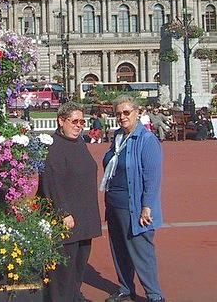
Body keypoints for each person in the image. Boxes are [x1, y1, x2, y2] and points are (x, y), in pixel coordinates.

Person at [101, 95, 165, 302]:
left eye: (126, 112)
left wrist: (147, 206)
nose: (122, 117)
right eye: (118, 113)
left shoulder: (147, 140)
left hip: (135, 205)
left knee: (141, 251)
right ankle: (126, 287)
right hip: (114, 203)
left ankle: (154, 295)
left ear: (137, 113)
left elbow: (152, 178)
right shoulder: (118, 136)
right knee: (119, 248)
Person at [38, 102, 101, 302]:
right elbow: (52, 182)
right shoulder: (54, 146)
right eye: (74, 121)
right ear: (61, 121)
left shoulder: (79, 142)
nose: (78, 126)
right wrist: (63, 212)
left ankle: (74, 296)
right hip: (67, 218)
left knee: (79, 265)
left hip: (85, 216)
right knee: (63, 269)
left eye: (82, 122)